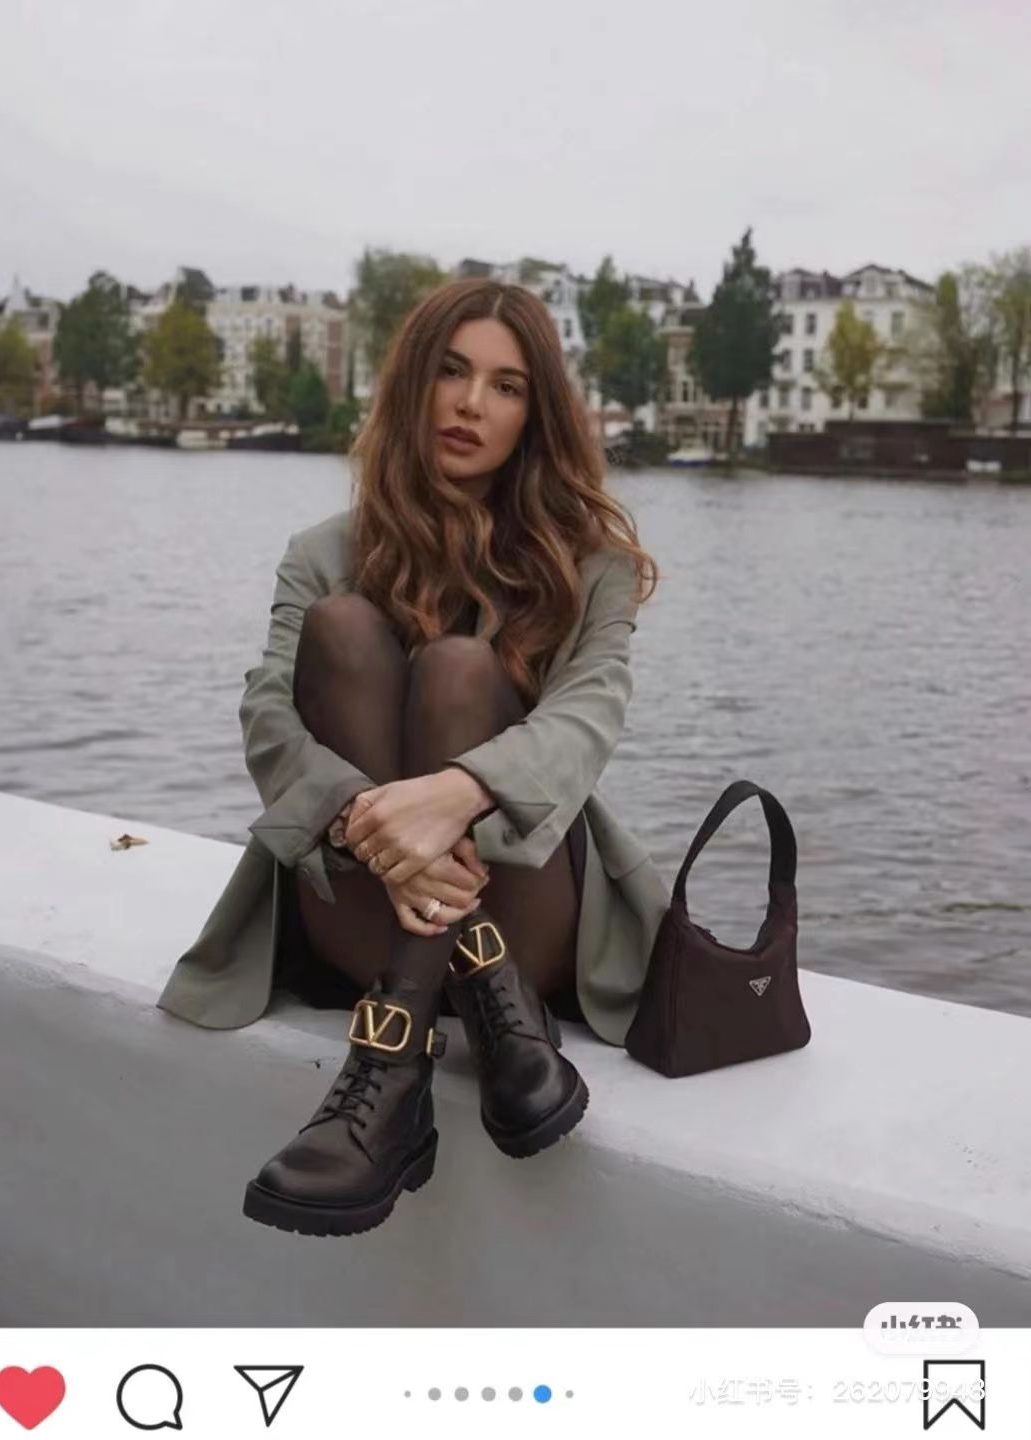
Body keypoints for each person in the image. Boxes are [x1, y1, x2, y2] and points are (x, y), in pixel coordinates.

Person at [157, 277, 667, 1238]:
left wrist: (458, 792)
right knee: (342, 630)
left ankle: (387, 1069)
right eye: (451, 372)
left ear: (536, 415)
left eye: (507, 387)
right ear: (411, 384)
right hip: (363, 898)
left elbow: (590, 715)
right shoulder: (323, 552)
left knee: (459, 670)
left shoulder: (591, 567)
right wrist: (371, 819)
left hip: (533, 916)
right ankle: (474, 990)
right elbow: (268, 715)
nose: (472, 404)